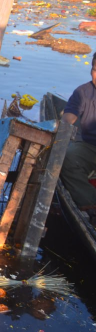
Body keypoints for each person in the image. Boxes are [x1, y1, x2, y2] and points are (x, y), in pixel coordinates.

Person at [60, 52, 96, 226]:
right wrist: (65, 123)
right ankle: (91, 205)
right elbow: (69, 116)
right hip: (91, 146)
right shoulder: (83, 92)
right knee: (66, 157)